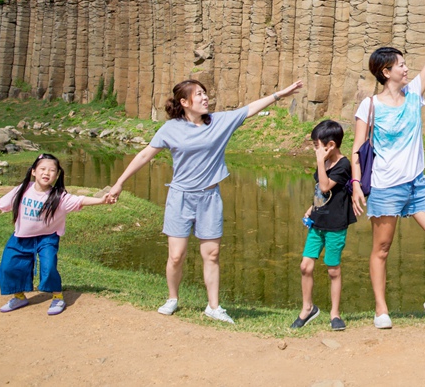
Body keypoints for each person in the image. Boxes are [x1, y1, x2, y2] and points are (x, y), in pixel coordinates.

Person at [109, 78, 303, 324]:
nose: (204, 98)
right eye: (198, 94)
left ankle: (213, 306)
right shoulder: (171, 129)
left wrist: (280, 94)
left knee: (211, 254)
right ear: (184, 102)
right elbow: (146, 153)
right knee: (176, 255)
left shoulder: (219, 122)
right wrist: (119, 182)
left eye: (205, 93)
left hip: (210, 197)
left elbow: (251, 108)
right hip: (180, 197)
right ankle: (172, 298)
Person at [351, 1, 425, 329]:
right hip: (386, 187)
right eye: (401, 65)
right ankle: (381, 310)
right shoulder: (370, 105)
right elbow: (358, 148)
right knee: (382, 250)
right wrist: (355, 186)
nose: (407, 69)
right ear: (385, 72)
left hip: (418, 184)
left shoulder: (414, 93)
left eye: (406, 64)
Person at [0, 153, 116, 316]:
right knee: (8, 266)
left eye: (52, 170)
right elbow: (2, 203)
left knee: (48, 266)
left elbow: (80, 200)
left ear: (57, 175)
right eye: (43, 169)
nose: (47, 173)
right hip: (21, 236)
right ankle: (19, 296)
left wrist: (102, 200)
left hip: (47, 238)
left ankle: (57, 296)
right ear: (33, 171)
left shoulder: (59, 196)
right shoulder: (23, 189)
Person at [292, 119, 356, 331]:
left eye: (317, 146)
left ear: (331, 145)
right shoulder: (325, 162)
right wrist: (312, 208)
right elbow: (320, 193)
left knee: (333, 270)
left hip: (336, 225)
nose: (315, 150)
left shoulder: (343, 164)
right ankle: (307, 308)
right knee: (305, 265)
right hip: (317, 223)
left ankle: (335, 314)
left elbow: (326, 186)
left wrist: (320, 162)